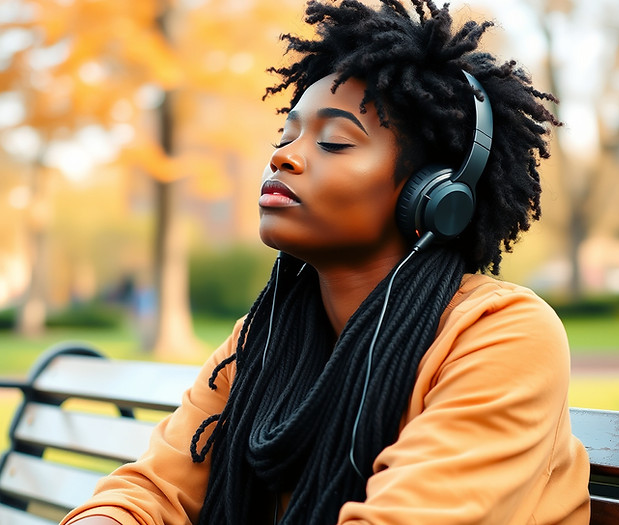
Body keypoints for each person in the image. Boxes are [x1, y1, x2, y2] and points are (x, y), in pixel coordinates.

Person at [60, 0, 591, 524]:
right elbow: (153, 491)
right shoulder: (265, 339)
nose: (283, 156)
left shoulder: (504, 336)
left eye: (335, 141)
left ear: (434, 194)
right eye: (286, 135)